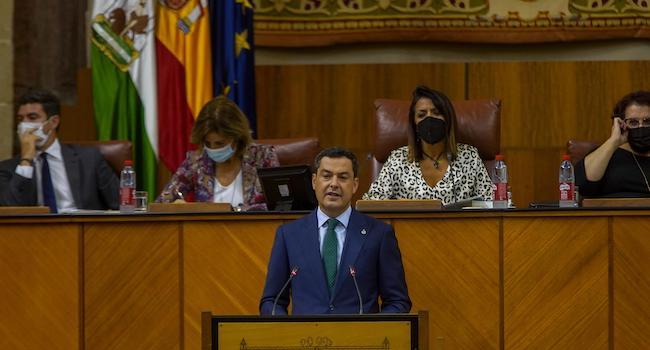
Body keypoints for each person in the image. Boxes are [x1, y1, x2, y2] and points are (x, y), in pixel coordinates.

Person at [259, 147, 411, 315]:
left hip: (360, 339)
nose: (334, 184)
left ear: (354, 185)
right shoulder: (288, 235)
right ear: (314, 182)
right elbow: (272, 301)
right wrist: (288, 334)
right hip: (304, 338)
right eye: (326, 176)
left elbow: (397, 301)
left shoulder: (379, 234)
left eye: (343, 177)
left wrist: (373, 332)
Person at [363, 85, 492, 205]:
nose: (429, 119)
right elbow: (370, 204)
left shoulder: (469, 157)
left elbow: (492, 203)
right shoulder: (398, 159)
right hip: (408, 229)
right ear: (414, 124)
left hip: (460, 229)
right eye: (421, 115)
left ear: (448, 118)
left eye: (436, 113)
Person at [0, 89, 119, 211]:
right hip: (37, 229)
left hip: (83, 227)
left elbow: (121, 204)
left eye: (32, 117)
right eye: (20, 119)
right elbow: (9, 211)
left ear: (53, 122)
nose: (24, 124)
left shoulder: (89, 159)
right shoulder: (8, 168)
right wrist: (26, 160)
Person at [157, 96, 279, 210]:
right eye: (208, 143)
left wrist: (234, 211)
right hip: (206, 231)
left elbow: (279, 204)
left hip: (254, 231)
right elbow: (162, 202)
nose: (213, 149)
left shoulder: (263, 157)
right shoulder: (197, 161)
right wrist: (180, 206)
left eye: (219, 143)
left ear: (236, 137)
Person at [576, 90, 650, 197]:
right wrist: (613, 141)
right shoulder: (607, 154)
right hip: (614, 213)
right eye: (633, 122)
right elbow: (580, 186)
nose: (640, 127)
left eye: (647, 121)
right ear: (621, 125)